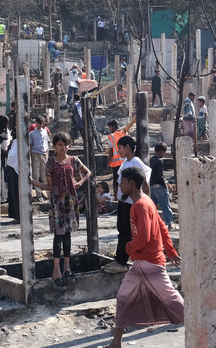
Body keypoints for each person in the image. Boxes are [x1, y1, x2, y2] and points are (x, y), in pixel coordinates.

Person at [103, 165, 184, 348]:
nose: (120, 186)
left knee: (173, 300)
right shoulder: (146, 201)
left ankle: (202, 326)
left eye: (122, 182)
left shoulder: (140, 205)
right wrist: (170, 251)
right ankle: (116, 342)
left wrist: (128, 248)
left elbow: (145, 237)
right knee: (123, 297)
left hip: (150, 263)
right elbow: (162, 226)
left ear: (131, 183)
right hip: (141, 263)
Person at [29, 132, 91, 289]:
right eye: (60, 145)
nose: (63, 147)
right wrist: (32, 182)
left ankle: (67, 267)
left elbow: (88, 172)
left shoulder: (74, 160)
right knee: (58, 236)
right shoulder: (50, 163)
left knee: (68, 235)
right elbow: (49, 186)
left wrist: (79, 183)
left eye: (66, 144)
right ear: (54, 146)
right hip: (57, 202)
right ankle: (56, 270)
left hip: (71, 201)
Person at [103, 135, 151, 274]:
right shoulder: (124, 163)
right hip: (123, 201)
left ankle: (124, 260)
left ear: (127, 147)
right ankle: (120, 258)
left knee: (128, 232)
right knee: (122, 229)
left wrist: (142, 200)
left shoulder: (136, 162)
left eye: (120, 148)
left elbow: (144, 182)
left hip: (132, 203)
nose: (118, 151)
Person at [106, 117, 136, 197]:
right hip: (126, 160)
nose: (110, 129)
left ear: (113, 126)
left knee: (116, 181)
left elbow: (110, 152)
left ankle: (116, 197)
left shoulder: (112, 136)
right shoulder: (125, 133)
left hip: (116, 163)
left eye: (110, 127)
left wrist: (108, 163)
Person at [149, 143, 173, 228]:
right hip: (159, 186)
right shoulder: (159, 161)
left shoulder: (150, 160)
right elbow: (160, 176)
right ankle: (169, 223)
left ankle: (150, 222)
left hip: (151, 186)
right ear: (161, 152)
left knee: (152, 205)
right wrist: (165, 185)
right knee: (165, 205)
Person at [28, 116, 51, 197]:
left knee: (45, 174)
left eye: (41, 123)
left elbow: (47, 143)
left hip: (44, 154)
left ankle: (47, 193)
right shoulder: (32, 134)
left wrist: (47, 153)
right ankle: (38, 194)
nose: (40, 125)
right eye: (38, 123)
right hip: (35, 154)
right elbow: (30, 145)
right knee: (36, 174)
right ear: (36, 123)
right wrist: (30, 156)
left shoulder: (45, 132)